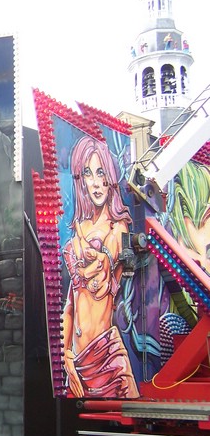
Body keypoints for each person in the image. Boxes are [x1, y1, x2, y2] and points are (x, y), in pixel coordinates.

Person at [62, 136, 138, 399]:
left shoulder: (117, 228)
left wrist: (102, 257)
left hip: (107, 359)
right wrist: (66, 353)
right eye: (88, 173)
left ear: (110, 178)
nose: (95, 182)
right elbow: (71, 303)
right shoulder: (78, 228)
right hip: (78, 363)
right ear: (80, 179)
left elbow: (109, 255)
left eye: (101, 172)